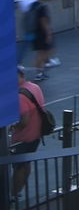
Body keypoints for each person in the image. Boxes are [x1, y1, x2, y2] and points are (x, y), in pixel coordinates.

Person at [9, 66, 47, 201]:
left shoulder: (20, 96)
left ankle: (12, 194)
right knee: (26, 164)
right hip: (36, 134)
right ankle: (17, 192)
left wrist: (13, 126)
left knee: (19, 167)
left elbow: (23, 121)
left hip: (23, 137)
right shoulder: (34, 87)